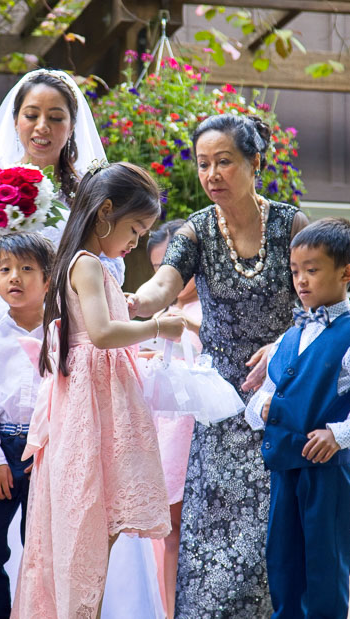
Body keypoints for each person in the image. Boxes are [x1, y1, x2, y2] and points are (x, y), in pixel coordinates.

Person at [130, 114, 309, 617]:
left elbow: (320, 306)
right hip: (220, 408)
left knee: (273, 547)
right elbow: (165, 283)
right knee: (210, 551)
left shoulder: (290, 225)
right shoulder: (197, 232)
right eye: (203, 164)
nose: (211, 174)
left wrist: (283, 345)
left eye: (224, 162)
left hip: (282, 402)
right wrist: (135, 304)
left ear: (255, 162)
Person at [13, 162, 185, 619]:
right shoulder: (86, 264)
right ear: (105, 212)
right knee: (88, 530)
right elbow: (103, 334)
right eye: (135, 228)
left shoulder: (93, 266)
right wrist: (155, 326)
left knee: (97, 528)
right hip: (91, 412)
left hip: (96, 405)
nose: (135, 242)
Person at [244, 217, 350, 618]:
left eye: (312, 270)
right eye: (296, 271)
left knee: (324, 574)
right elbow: (267, 391)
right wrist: (260, 408)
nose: (301, 280)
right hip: (284, 468)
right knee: (283, 569)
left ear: (346, 273)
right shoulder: (289, 336)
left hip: (326, 472)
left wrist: (340, 434)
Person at [0, 68, 123, 332]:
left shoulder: (89, 192)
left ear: (72, 126)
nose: (42, 126)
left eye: (55, 117)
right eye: (31, 115)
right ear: (16, 120)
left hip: (64, 323)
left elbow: (111, 263)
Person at [0, 232, 55, 619]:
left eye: (26, 269)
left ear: (48, 279)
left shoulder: (63, 338)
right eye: (5, 270)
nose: (15, 277)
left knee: (41, 554)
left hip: (46, 453)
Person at [145, 219, 200, 619]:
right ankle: (169, 610)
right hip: (168, 428)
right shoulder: (166, 312)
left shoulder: (209, 309)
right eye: (158, 269)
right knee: (170, 532)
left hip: (196, 424)